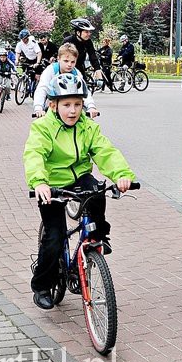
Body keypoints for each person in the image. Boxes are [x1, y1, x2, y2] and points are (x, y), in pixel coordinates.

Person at [23, 73, 136, 309]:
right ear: (53, 105)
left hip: (79, 177)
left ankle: (97, 236)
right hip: (52, 184)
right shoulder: (43, 127)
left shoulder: (88, 127)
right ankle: (42, 285)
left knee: (96, 191)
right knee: (54, 237)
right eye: (66, 105)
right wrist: (39, 182)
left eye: (77, 104)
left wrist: (122, 175)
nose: (73, 111)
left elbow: (105, 151)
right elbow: (34, 155)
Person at [33, 43, 100, 118]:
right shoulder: (50, 70)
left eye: (73, 62)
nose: (69, 65)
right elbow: (42, 88)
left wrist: (91, 106)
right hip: (53, 105)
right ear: (58, 58)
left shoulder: (76, 73)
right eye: (66, 61)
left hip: (71, 107)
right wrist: (38, 107)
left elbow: (85, 90)